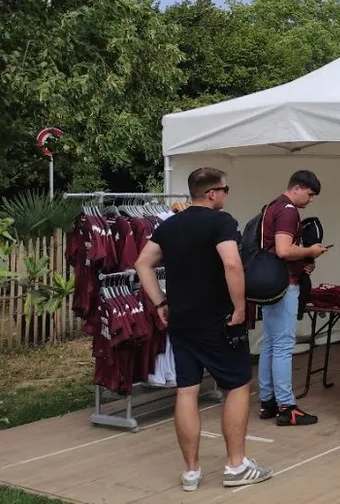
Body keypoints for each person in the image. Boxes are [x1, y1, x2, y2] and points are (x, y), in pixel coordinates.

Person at [135, 167, 273, 491]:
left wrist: (159, 303)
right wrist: (240, 308)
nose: (226, 195)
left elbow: (142, 262)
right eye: (225, 189)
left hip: (182, 320)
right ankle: (236, 465)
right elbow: (231, 263)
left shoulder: (170, 226)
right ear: (212, 193)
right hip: (218, 321)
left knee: (187, 390)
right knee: (238, 386)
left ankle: (191, 472)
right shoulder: (222, 222)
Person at [257, 170, 328, 426]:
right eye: (309, 194)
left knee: (271, 343)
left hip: (272, 283)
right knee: (284, 345)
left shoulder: (272, 206)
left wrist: (303, 260)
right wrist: (311, 251)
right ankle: (286, 406)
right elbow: (284, 250)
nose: (310, 200)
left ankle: (268, 401)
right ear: (296, 188)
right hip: (285, 285)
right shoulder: (288, 211)